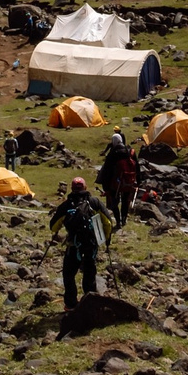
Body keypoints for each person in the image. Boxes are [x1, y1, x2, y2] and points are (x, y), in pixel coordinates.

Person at [48, 177, 108, 308]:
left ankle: (70, 304)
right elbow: (108, 222)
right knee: (90, 272)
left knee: (68, 274)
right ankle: (90, 302)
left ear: (72, 189)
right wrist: (105, 240)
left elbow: (53, 226)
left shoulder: (66, 205)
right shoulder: (95, 202)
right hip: (91, 244)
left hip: (74, 246)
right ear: (85, 188)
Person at [96, 131, 139, 229]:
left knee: (115, 202)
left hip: (114, 183)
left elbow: (107, 171)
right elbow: (137, 167)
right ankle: (124, 219)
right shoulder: (130, 151)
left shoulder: (112, 153)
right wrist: (137, 181)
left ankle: (118, 221)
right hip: (128, 180)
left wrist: (105, 186)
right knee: (125, 201)